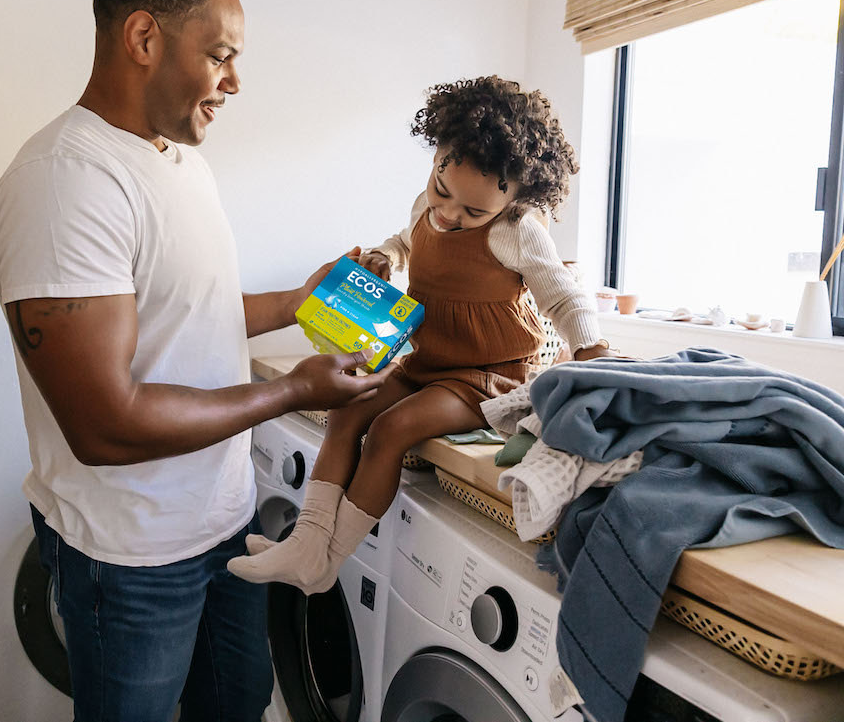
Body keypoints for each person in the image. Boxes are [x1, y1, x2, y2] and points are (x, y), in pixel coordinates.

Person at [0, 0, 385, 722]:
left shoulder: (176, 162)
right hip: (130, 555)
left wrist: (301, 302)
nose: (235, 80)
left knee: (235, 708)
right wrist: (292, 390)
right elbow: (106, 422)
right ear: (144, 38)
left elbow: (186, 311)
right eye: (221, 54)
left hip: (223, 526)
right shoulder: (64, 184)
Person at [227, 76, 617, 595]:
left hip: (486, 377)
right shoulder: (426, 207)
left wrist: (592, 350)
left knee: (390, 430)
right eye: (442, 190)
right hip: (426, 360)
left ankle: (324, 564)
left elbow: (564, 296)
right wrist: (387, 258)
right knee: (347, 409)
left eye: (473, 211)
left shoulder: (519, 230)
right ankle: (306, 542)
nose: (450, 214)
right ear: (436, 156)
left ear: (516, 197)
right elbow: (406, 240)